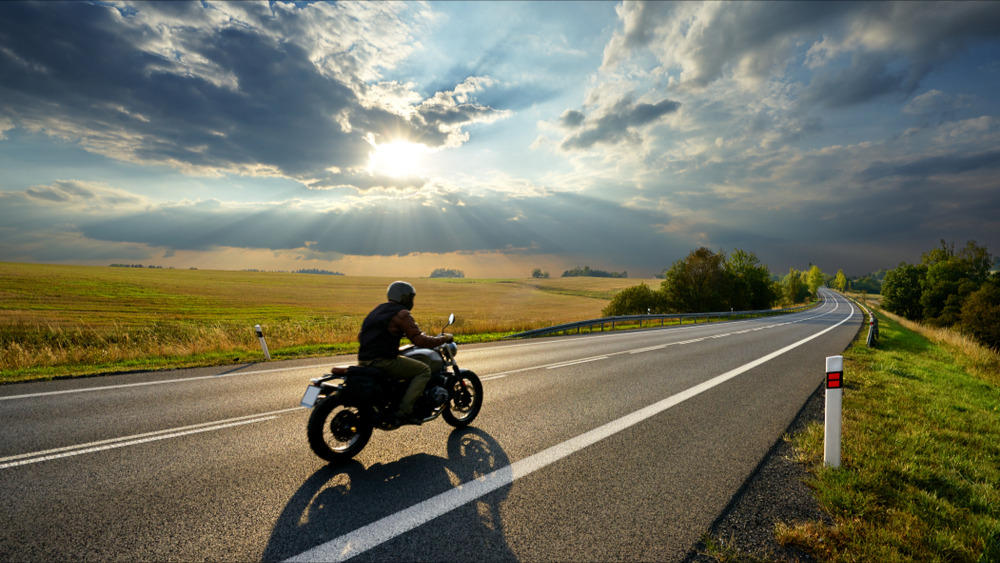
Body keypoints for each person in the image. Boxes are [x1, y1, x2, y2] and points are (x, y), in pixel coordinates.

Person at [358, 281, 453, 425]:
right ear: (404, 297)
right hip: (383, 361)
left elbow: (362, 335)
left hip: (364, 360)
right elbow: (419, 340)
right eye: (411, 297)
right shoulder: (401, 313)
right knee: (424, 370)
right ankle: (404, 411)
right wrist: (442, 339)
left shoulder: (378, 310)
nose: (412, 301)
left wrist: (392, 336)